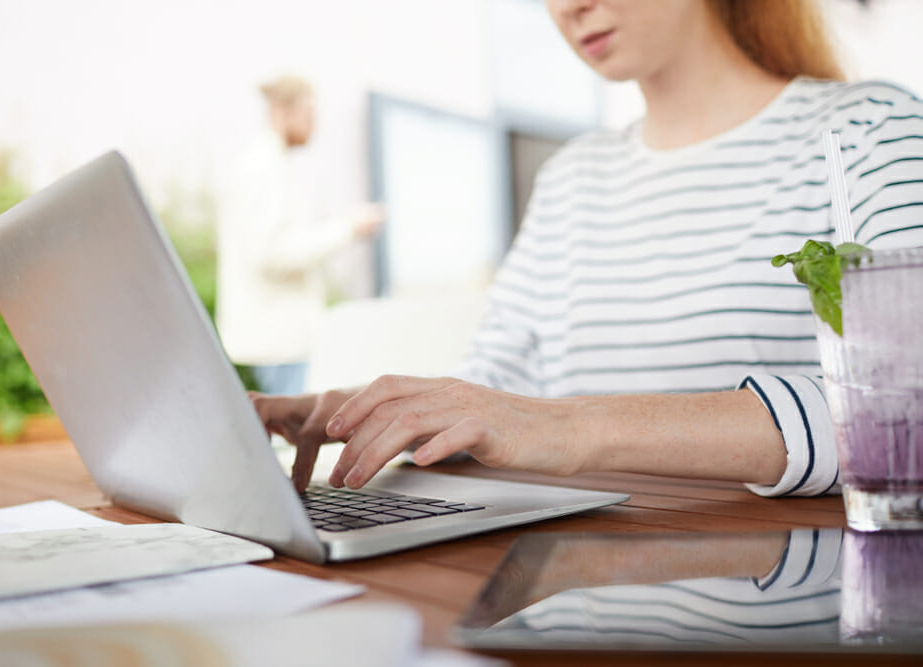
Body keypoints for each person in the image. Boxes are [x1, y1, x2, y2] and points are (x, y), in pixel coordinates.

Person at [252, 0, 923, 494]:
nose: (570, 8)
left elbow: (905, 412)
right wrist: (368, 408)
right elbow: (497, 393)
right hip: (580, 594)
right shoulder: (572, 176)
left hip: (789, 604)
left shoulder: (869, 133)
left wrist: (572, 428)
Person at [216, 75, 384, 395]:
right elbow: (271, 253)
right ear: (281, 111)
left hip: (281, 342)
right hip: (278, 344)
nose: (314, 126)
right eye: (309, 114)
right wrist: (348, 228)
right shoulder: (263, 168)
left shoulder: (272, 164)